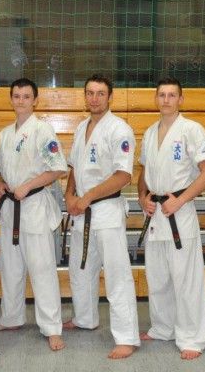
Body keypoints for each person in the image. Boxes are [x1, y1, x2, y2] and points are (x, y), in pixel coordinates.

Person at [63, 74, 140, 359]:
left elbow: (123, 175)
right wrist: (69, 195)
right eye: (90, 93)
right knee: (80, 269)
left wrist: (87, 197)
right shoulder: (81, 127)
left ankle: (127, 337)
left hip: (106, 211)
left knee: (117, 276)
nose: (94, 98)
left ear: (110, 97)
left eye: (100, 93)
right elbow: (74, 167)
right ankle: (85, 318)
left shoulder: (119, 129)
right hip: (82, 211)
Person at [137, 77, 205, 360]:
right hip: (156, 212)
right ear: (156, 99)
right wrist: (142, 197)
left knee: (186, 279)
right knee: (157, 276)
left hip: (179, 211)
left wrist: (180, 200)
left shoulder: (192, 129)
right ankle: (163, 327)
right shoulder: (149, 132)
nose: (166, 100)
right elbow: (143, 171)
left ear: (181, 99)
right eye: (162, 95)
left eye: (172, 95)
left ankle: (192, 336)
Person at [0, 78, 67, 351]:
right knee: (10, 267)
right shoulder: (5, 134)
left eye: (26, 96)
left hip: (34, 207)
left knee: (42, 270)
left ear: (35, 100)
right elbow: (1, 171)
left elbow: (58, 168)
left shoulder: (42, 130)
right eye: (17, 96)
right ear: (11, 99)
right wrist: (0, 183)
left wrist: (28, 185)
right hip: (11, 208)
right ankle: (11, 317)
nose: (21, 101)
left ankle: (52, 328)